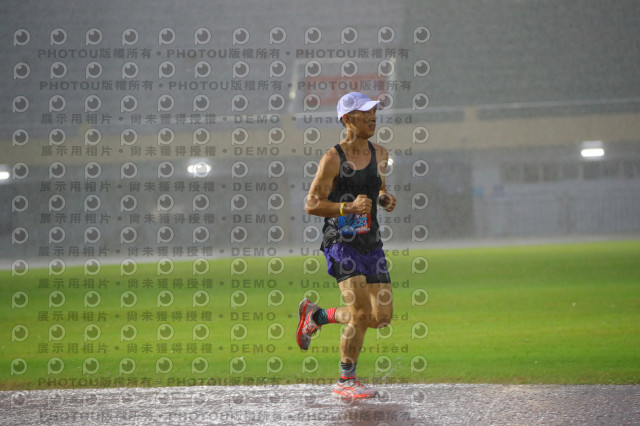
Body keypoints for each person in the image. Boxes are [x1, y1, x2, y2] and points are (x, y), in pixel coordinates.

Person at [296, 91, 397, 399]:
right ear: (348, 119)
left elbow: (378, 188)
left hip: (371, 243)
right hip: (341, 242)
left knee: (380, 317)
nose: (373, 117)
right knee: (361, 313)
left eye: (374, 112)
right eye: (366, 113)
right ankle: (345, 380)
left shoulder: (380, 153)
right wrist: (347, 208)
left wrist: (384, 198)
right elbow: (311, 204)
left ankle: (315, 316)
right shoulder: (333, 159)